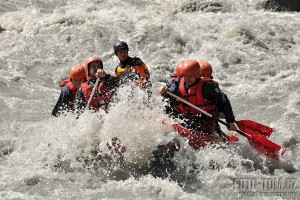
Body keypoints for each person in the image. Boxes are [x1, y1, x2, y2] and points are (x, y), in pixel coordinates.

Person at [160, 60, 237, 135]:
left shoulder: (207, 87)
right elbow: (169, 97)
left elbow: (223, 100)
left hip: (204, 119)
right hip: (186, 116)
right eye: (185, 76)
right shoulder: (177, 83)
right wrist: (164, 92)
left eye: (190, 76)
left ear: (197, 75)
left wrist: (230, 121)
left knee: (198, 123)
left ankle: (217, 134)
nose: (187, 79)